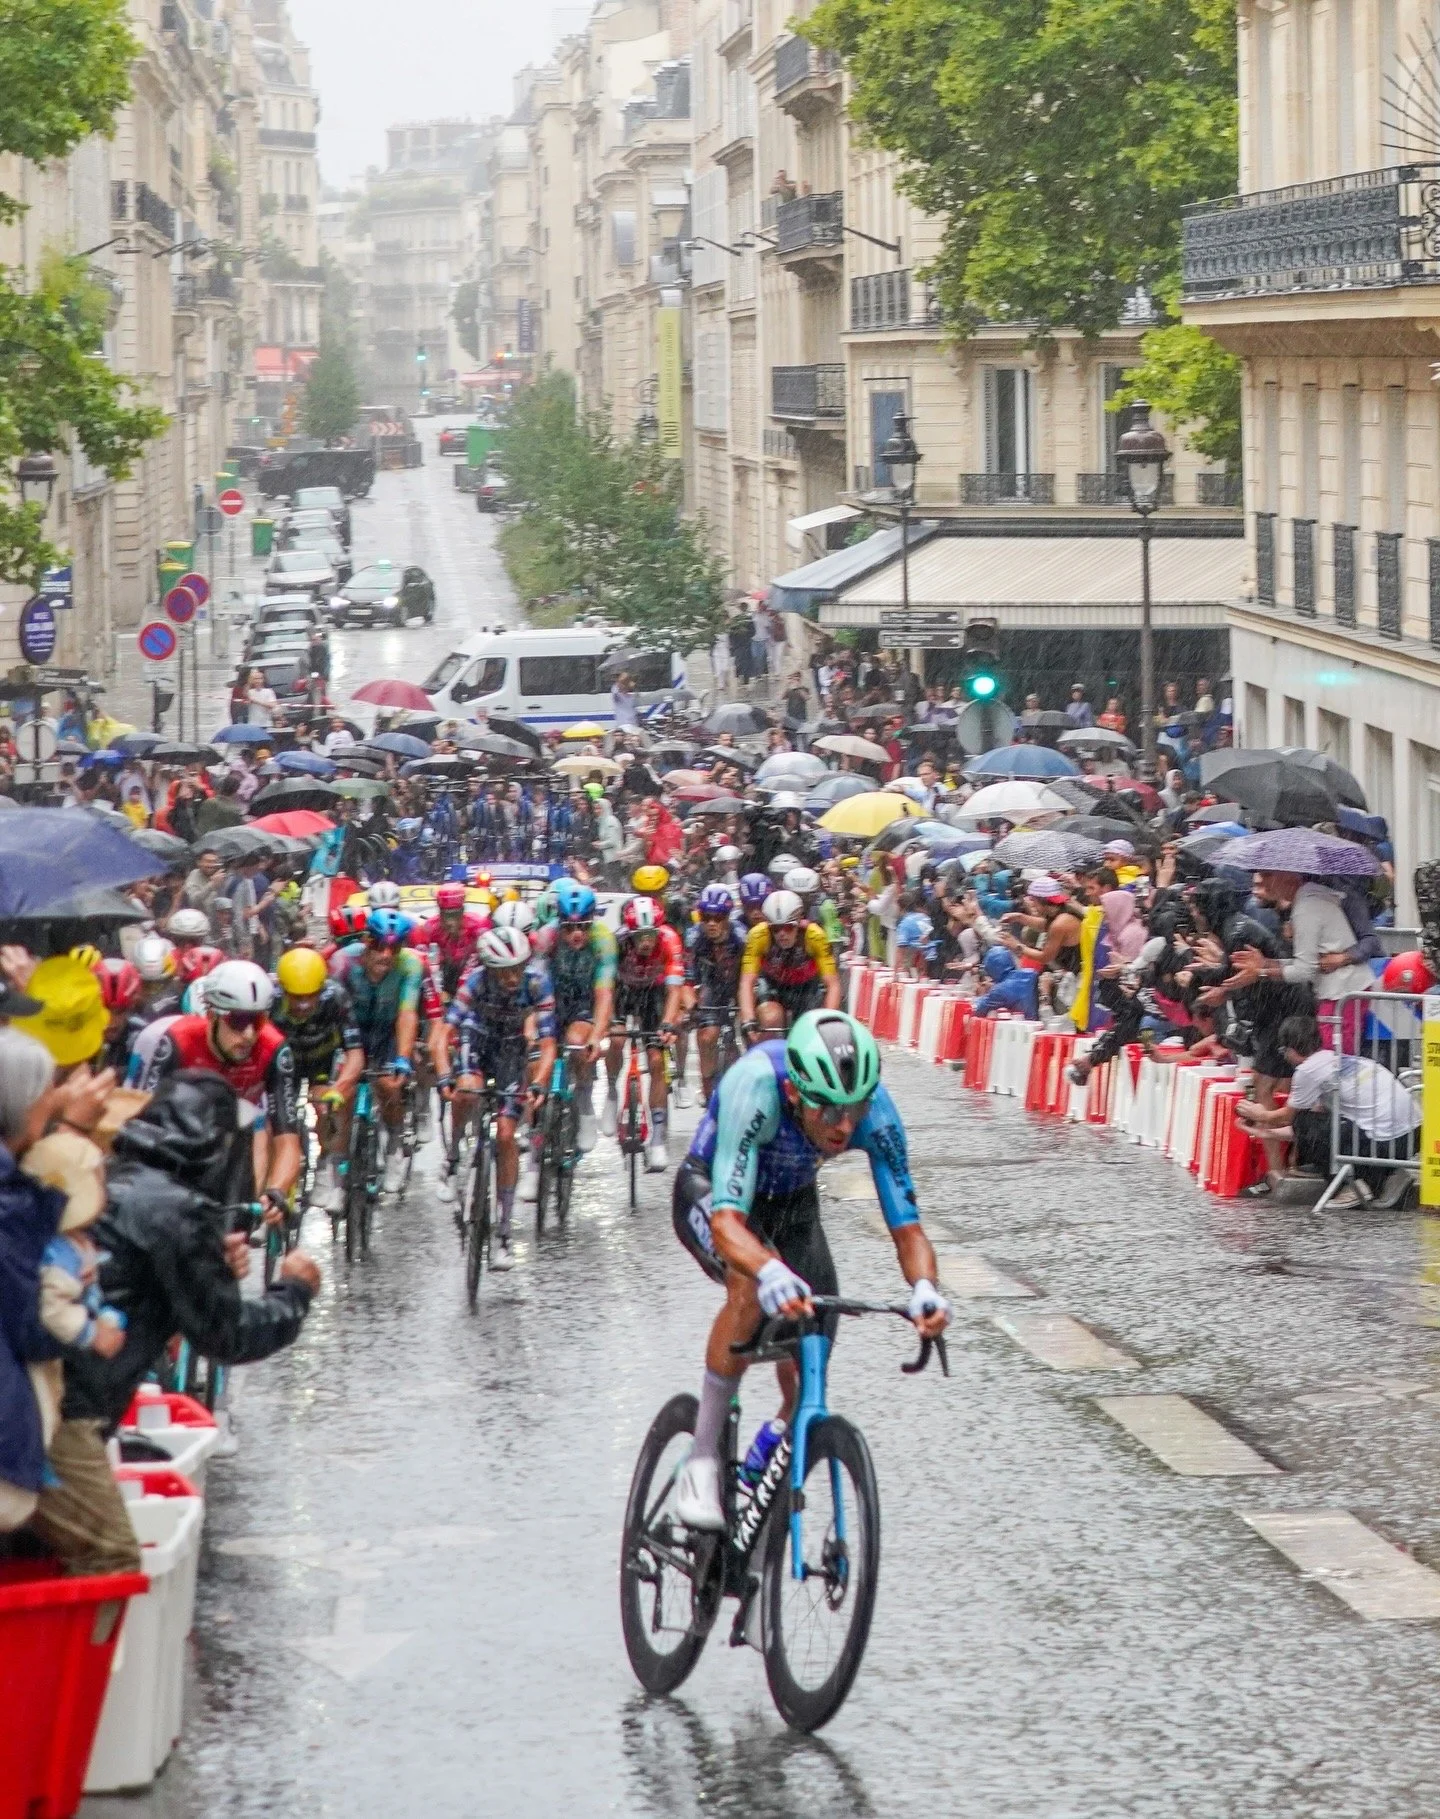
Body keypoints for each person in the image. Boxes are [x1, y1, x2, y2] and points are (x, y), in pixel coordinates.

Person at [669, 1011, 950, 1530]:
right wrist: (769, 1269)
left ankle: (767, 1463)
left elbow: (908, 1229)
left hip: (792, 1203)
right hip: (715, 1192)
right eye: (830, 1112)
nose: (845, 1126)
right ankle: (702, 1458)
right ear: (797, 1094)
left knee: (812, 1345)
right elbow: (729, 1223)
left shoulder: (874, 1112)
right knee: (752, 1287)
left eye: (856, 1108)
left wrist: (926, 1288)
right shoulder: (757, 1085)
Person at [44, 1074, 318, 1570]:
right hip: (71, 1414)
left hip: (54, 1395)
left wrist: (206, 1260)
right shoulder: (177, 1209)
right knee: (112, 1560)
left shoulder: (116, 1176)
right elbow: (227, 1335)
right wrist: (295, 1291)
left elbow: (134, 1273)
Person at [139, 959, 301, 1219]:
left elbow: (288, 1141)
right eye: (237, 1021)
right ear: (212, 1016)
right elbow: (136, 1125)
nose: (249, 1034)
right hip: (172, 1131)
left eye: (258, 1022)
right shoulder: (173, 1042)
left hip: (231, 1133)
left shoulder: (274, 1050)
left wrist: (277, 1192)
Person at [438, 928, 556, 1264]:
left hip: (512, 1052)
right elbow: (443, 1034)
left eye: (518, 968)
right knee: (467, 1091)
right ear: (489, 969)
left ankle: (503, 1232)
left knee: (506, 1135)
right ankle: (452, 1159)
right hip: (477, 1042)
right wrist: (445, 1074)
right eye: (505, 971)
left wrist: (539, 1083)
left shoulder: (536, 984)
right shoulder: (474, 982)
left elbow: (548, 1044)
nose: (512, 977)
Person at [1237, 1013, 1420, 1208]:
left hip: (1387, 1141)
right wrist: (1264, 1132)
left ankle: (1357, 1184)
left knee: (1305, 1121)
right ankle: (1385, 1173)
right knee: (1319, 1122)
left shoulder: (1307, 1071)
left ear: (1289, 1049)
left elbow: (1289, 1119)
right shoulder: (1335, 1060)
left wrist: (1260, 1115)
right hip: (1413, 1136)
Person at [329, 909, 432, 1194]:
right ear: (365, 940)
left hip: (387, 1032)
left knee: (389, 1084)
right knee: (343, 1094)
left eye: (394, 948)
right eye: (378, 946)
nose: (385, 955)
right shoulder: (342, 962)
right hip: (352, 1032)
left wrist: (402, 1056)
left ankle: (394, 1145)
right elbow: (330, 1013)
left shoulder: (410, 966)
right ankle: (336, 1165)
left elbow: (407, 1013)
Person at [271, 946, 365, 1215]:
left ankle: (330, 1165)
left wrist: (340, 1087)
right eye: (296, 998)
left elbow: (355, 1054)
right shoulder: (270, 1000)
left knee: (329, 1105)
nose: (302, 1006)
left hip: (321, 1063)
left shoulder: (336, 997)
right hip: (283, 1062)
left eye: (310, 997)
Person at [528, 877, 615, 1154]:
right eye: (569, 927)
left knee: (578, 1042)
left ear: (592, 921)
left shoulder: (604, 941)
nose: (576, 934)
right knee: (535, 1057)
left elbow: (604, 995)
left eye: (583, 927)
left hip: (584, 1001)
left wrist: (597, 1036)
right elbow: (534, 986)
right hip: (552, 998)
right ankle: (534, 1136)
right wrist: (531, 1025)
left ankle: (585, 1101)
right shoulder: (546, 937)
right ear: (559, 923)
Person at [604, 895, 685, 1170]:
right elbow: (606, 987)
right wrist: (606, 1021)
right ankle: (612, 1090)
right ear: (630, 933)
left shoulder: (670, 939)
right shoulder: (617, 942)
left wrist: (668, 1023)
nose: (647, 942)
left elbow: (674, 990)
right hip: (624, 991)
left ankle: (658, 1139)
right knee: (616, 1040)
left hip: (654, 993)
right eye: (641, 936)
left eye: (651, 934)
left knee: (656, 1061)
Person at [738, 888, 842, 1036]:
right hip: (772, 985)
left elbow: (832, 984)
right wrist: (748, 1020)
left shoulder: (815, 936)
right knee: (771, 1019)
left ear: (799, 923)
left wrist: (828, 1021)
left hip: (805, 988)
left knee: (810, 1029)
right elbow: (747, 982)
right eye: (775, 928)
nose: (782, 934)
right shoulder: (757, 936)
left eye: (788, 927)